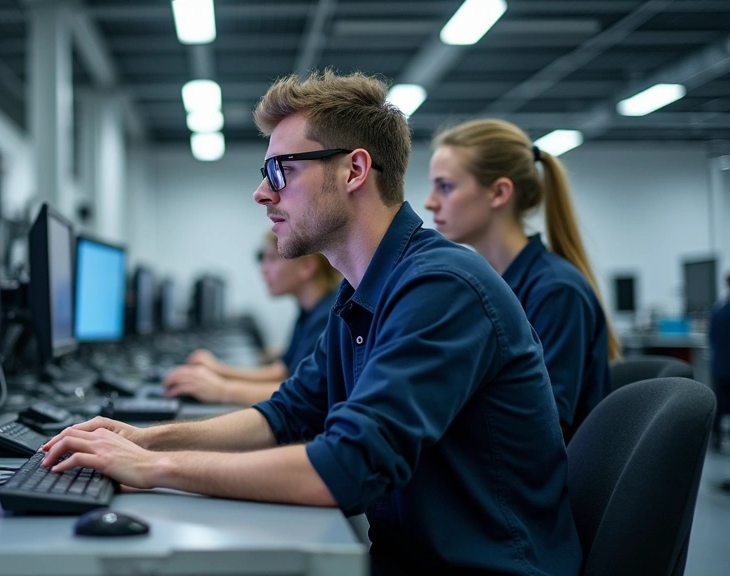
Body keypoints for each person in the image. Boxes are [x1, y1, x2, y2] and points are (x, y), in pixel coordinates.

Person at [42, 70, 581, 575]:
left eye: (283, 170)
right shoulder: (365, 288)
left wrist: (154, 470)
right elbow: (288, 414)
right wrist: (147, 440)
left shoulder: (442, 288)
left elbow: (347, 467)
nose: (262, 192)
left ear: (354, 170)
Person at [424, 118, 619, 442]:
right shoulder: (490, 287)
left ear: (499, 193)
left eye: (445, 186)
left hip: (533, 485)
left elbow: (545, 428)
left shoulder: (556, 291)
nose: (431, 202)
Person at [163, 232, 341, 404]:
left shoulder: (328, 317)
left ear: (307, 266)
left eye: (272, 258)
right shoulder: (309, 313)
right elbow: (284, 372)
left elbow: (305, 394)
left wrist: (222, 390)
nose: (263, 269)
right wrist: (218, 371)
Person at [711, 272, 730, 451]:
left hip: (720, 367)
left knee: (720, 402)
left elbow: (712, 339)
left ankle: (716, 437)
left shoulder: (717, 312)